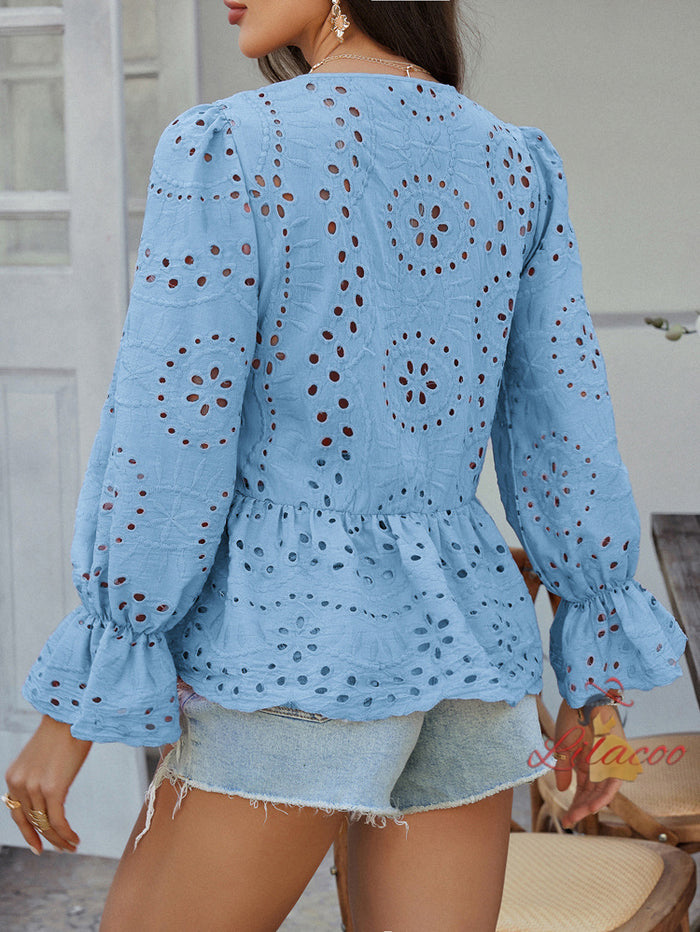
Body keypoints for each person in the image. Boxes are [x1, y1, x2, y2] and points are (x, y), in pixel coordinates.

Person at [3, 1, 688, 930]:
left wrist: (74, 706)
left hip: (288, 653)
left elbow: (171, 438)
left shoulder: (228, 146)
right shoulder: (515, 162)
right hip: (466, 650)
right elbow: (565, 431)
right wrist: (593, 680)